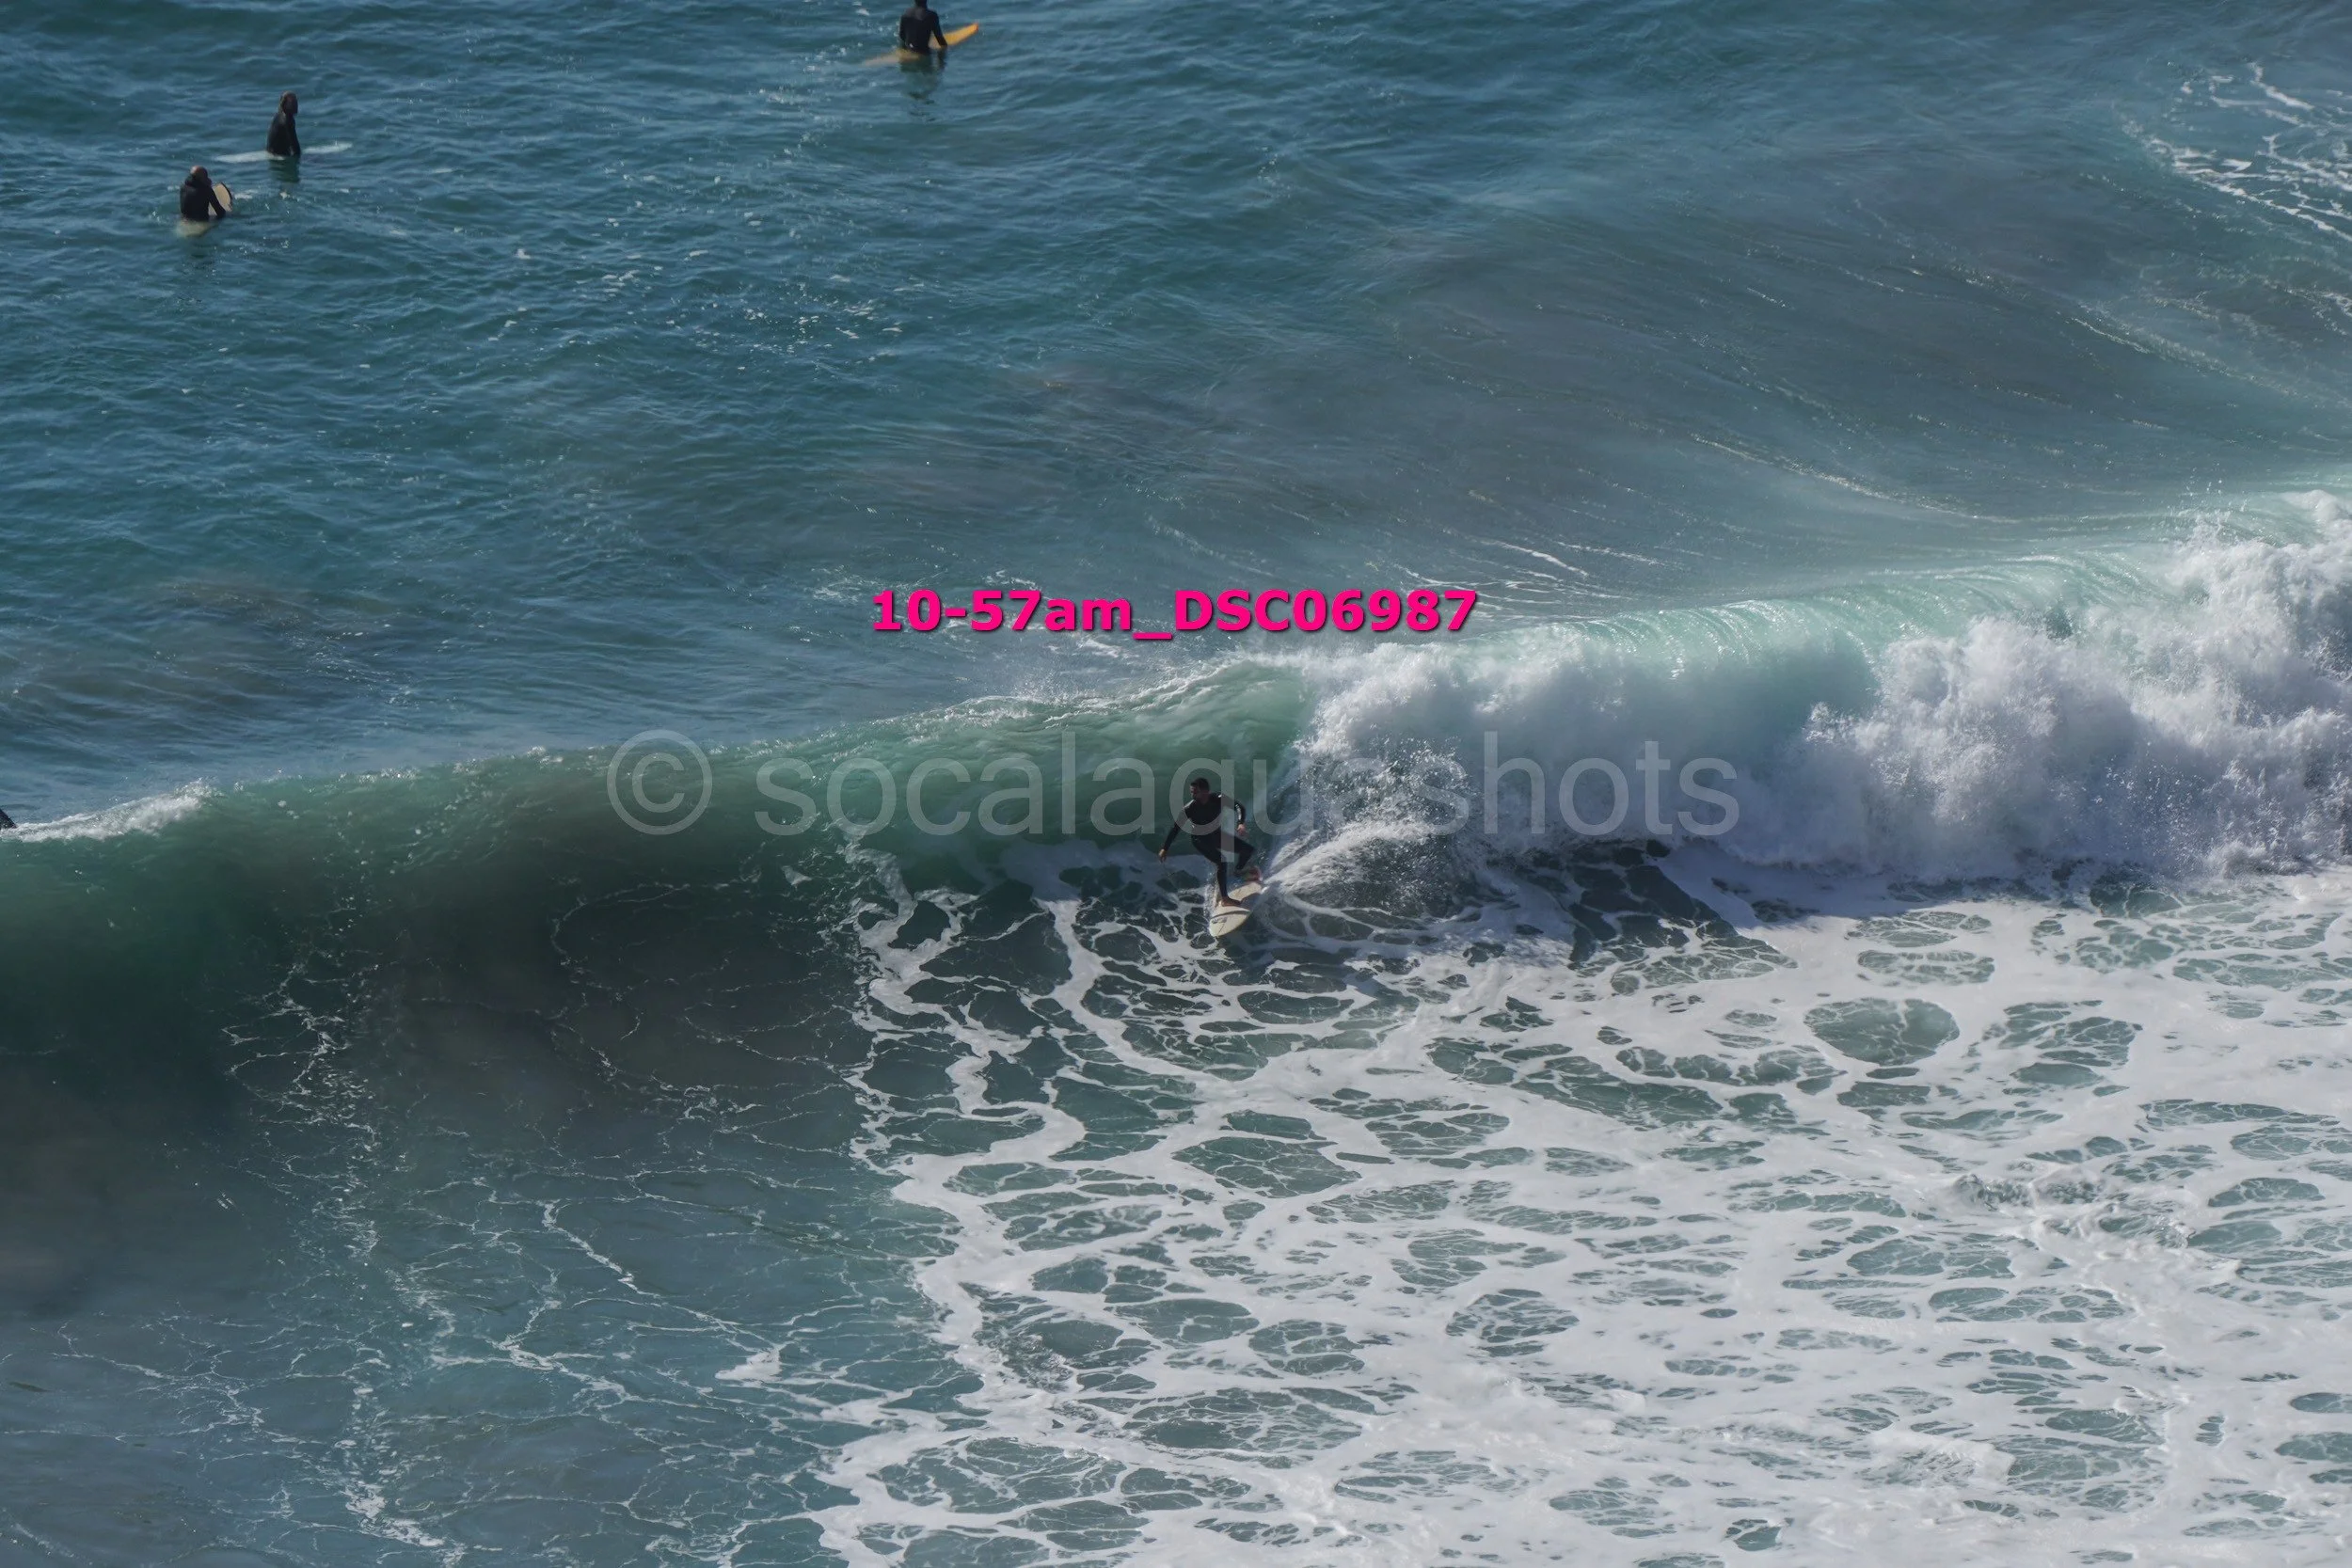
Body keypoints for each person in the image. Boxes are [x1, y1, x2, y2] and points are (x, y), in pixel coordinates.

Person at [1159, 777, 1262, 902]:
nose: (1192, 795)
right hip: (1200, 840)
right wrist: (1165, 848)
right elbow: (1175, 828)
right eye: (1191, 792)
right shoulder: (1189, 808)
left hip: (1216, 835)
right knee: (1222, 862)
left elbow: (1238, 807)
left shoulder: (1218, 799)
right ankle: (1225, 899)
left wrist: (1240, 823)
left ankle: (1238, 872)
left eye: (1195, 792)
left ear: (1205, 791)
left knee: (1247, 850)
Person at [267, 92, 301, 159]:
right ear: (285, 104)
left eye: (296, 102)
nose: (296, 105)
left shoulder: (277, 115)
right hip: (280, 154)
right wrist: (299, 157)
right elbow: (294, 142)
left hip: (270, 151)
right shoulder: (287, 120)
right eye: (293, 103)